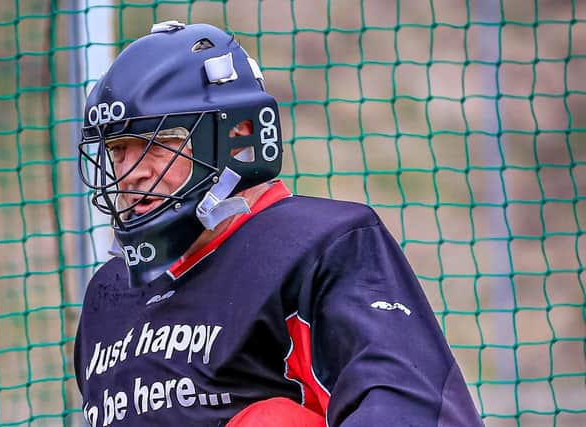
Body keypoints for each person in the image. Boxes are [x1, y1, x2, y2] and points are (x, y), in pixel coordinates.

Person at [74, 20, 484, 427]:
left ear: (239, 132)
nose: (129, 174)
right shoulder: (108, 296)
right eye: (118, 150)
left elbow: (413, 412)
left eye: (157, 143)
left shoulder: (320, 244)